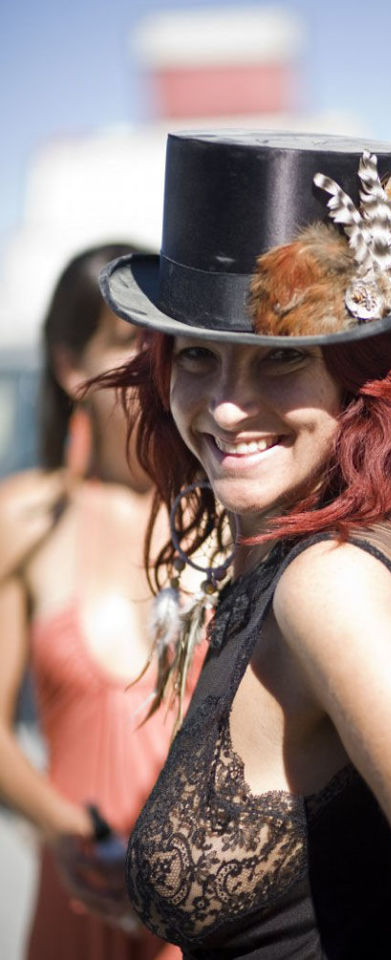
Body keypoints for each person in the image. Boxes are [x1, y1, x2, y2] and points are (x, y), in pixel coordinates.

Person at [96, 5, 391, 957]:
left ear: (358, 377)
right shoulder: (315, 542)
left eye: (279, 363)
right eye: (196, 357)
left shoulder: (331, 585)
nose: (227, 407)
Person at [0, 244, 186, 960]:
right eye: (129, 346)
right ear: (71, 367)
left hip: (200, 905)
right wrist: (65, 830)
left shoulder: (223, 518)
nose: (155, 368)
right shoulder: (27, 521)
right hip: (80, 890)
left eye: (168, 344)